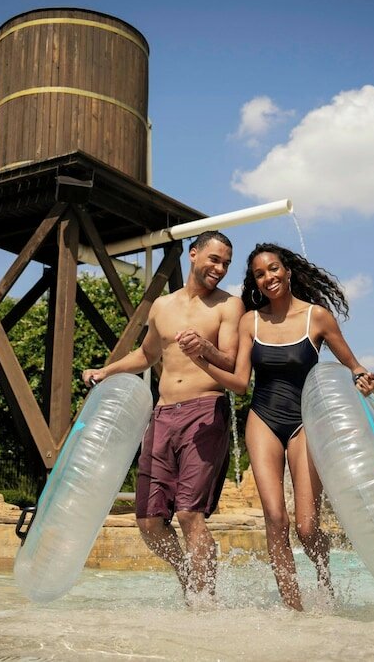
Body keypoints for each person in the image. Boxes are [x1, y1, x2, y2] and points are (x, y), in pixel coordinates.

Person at [189, 243, 374, 611]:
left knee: (307, 528)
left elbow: (354, 366)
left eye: (273, 269)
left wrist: (363, 378)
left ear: (287, 271)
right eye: (259, 274)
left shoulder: (317, 318)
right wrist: (202, 361)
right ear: (255, 282)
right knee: (276, 518)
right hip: (263, 419)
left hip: (305, 422)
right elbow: (240, 383)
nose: (268, 278)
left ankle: (323, 580)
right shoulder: (250, 321)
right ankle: (294, 607)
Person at [81, 231, 244, 601]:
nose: (220, 268)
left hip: (205, 410)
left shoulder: (228, 306)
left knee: (188, 513)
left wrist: (205, 347)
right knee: (149, 521)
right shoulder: (161, 306)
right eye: (214, 259)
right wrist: (106, 371)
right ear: (193, 254)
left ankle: (205, 603)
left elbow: (232, 362)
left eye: (226, 263)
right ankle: (190, 581)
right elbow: (146, 355)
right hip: (162, 414)